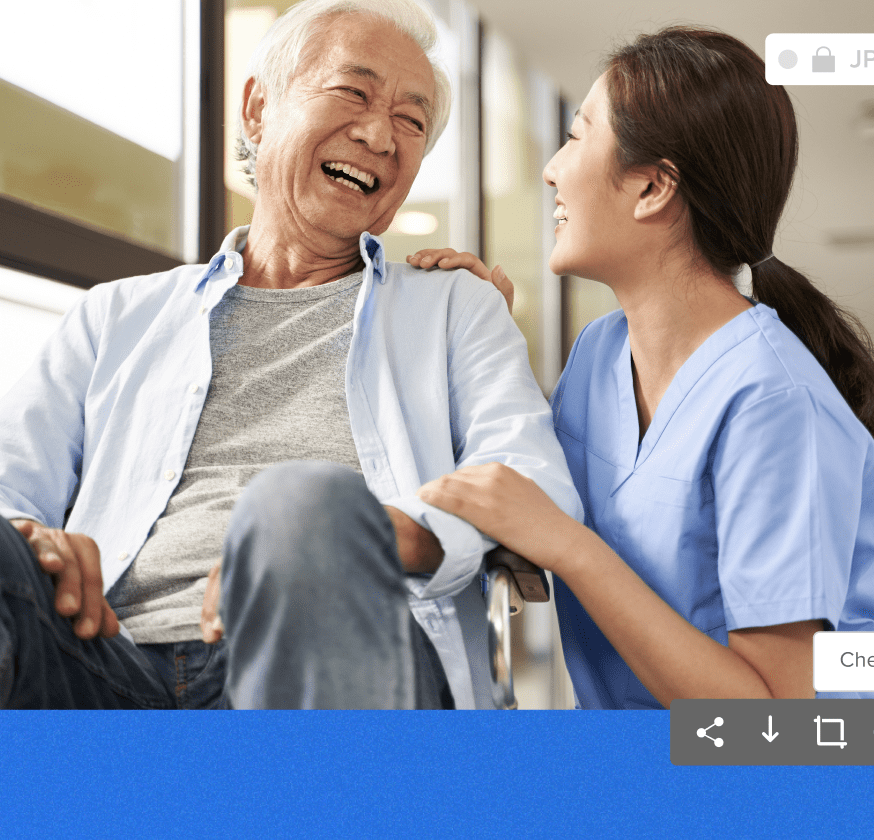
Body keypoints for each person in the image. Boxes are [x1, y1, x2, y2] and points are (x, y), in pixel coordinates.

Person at [0, 0, 580, 710]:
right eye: (353, 92)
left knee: (299, 504)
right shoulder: (115, 315)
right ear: (257, 109)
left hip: (338, 656)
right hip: (103, 662)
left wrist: (388, 532)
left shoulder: (453, 306)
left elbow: (535, 482)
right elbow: (10, 486)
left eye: (412, 120)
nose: (379, 134)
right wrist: (32, 536)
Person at [408, 27, 874, 709]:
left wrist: (571, 550)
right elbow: (515, 497)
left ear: (651, 188)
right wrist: (476, 343)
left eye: (577, 136)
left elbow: (775, 722)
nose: (552, 167)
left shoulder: (774, 402)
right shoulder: (598, 355)